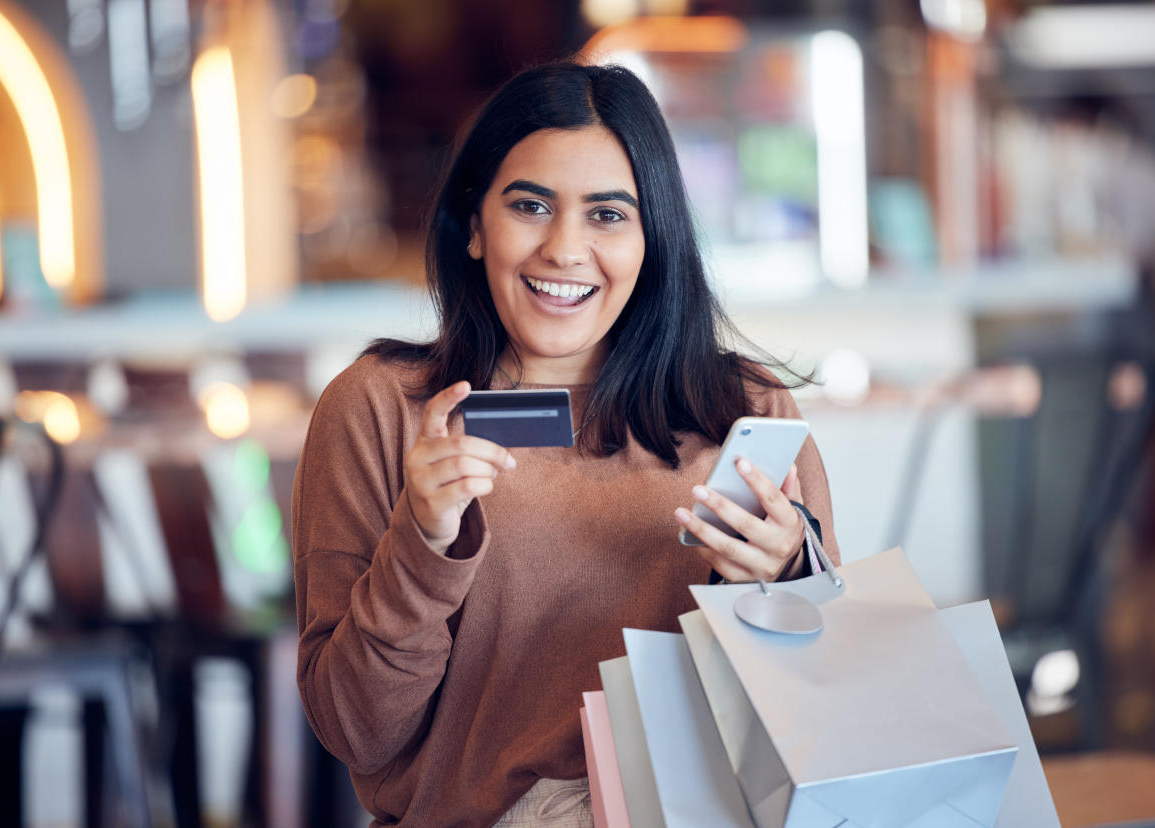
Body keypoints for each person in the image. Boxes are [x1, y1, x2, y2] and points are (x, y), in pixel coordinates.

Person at [291, 60, 839, 826]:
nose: (564, 248)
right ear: (475, 226)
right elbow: (355, 731)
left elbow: (821, 697)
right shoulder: (380, 409)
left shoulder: (740, 407)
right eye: (530, 205)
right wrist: (422, 545)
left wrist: (789, 576)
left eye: (608, 215)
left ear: (653, 237)